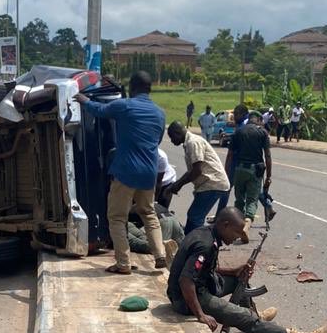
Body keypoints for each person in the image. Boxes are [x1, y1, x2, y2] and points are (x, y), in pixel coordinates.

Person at [167, 207, 327, 333]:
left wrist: (234, 271)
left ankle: (254, 318)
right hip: (186, 299)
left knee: (239, 279)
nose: (239, 237)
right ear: (225, 225)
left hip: (200, 286)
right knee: (244, 317)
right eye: (237, 232)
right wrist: (201, 315)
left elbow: (205, 270)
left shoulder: (209, 233)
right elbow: (186, 280)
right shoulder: (204, 244)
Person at [75, 71, 167, 275]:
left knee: (117, 217)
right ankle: (160, 255)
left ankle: (123, 263)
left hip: (126, 171)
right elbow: (157, 141)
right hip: (149, 173)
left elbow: (99, 109)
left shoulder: (125, 106)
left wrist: (82, 99)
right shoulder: (160, 113)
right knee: (149, 214)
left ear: (132, 87)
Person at [165, 121, 231, 234]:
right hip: (208, 183)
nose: (172, 141)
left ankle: (196, 243)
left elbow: (196, 171)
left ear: (177, 133)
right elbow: (192, 170)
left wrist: (178, 185)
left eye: (172, 137)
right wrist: (176, 185)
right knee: (194, 215)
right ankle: (189, 239)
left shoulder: (193, 142)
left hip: (213, 183)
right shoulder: (189, 142)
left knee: (195, 216)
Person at [224, 103, 272, 243]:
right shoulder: (262, 133)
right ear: (257, 120)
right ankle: (246, 226)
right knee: (252, 200)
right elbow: (267, 156)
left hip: (239, 169)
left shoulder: (238, 131)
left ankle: (237, 225)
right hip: (255, 170)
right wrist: (269, 176)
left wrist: (227, 173)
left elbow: (230, 155)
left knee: (239, 199)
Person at [155, 147, 177, 214]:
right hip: (149, 181)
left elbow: (158, 182)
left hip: (166, 181)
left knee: (161, 210)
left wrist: (154, 201)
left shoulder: (160, 156)